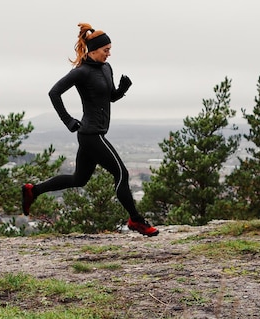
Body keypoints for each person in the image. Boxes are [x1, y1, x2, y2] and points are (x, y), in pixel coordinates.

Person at [22, 23, 159, 237]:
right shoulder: (81, 72)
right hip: (91, 134)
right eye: (106, 50)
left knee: (79, 179)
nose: (109, 54)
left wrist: (122, 90)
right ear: (93, 50)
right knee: (121, 172)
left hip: (95, 134)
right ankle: (136, 220)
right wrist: (68, 121)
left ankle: (33, 190)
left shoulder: (106, 68)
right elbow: (54, 93)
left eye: (110, 49)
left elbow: (109, 96)